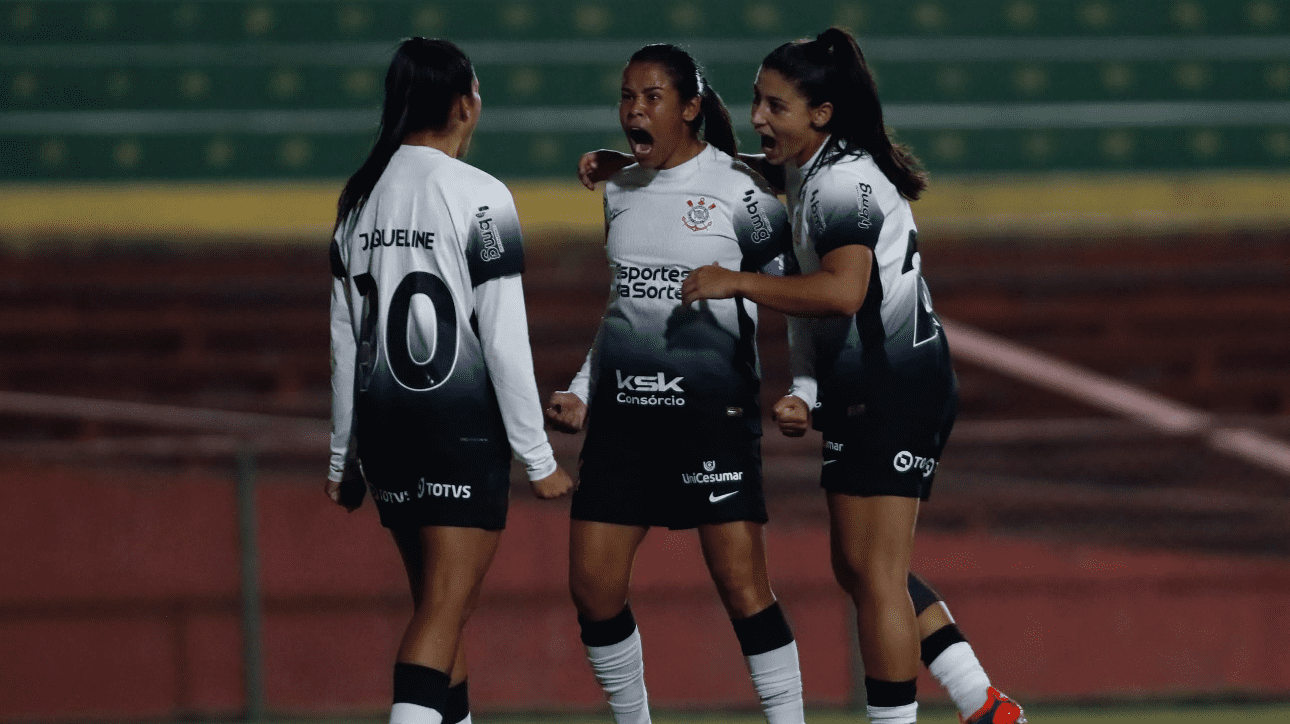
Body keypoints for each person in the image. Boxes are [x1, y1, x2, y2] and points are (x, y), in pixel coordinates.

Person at [678, 28, 1026, 724]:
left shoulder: (843, 182)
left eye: (775, 106)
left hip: (897, 385)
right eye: (755, 101)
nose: (758, 118)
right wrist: (635, 163)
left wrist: (734, 281)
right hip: (869, 386)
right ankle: (982, 705)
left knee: (874, 577)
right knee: (863, 571)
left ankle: (926, 716)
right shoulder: (814, 168)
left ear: (822, 115)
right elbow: (742, 169)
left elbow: (841, 292)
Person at [545, 44, 805, 724]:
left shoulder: (741, 191)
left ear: (689, 107)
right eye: (627, 97)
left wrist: (806, 384)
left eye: (651, 97)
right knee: (592, 592)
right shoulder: (620, 190)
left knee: (746, 590)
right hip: (625, 421)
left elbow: (797, 293)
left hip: (709, 419)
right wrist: (581, 387)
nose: (635, 109)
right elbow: (623, 306)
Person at [326, 38, 574, 724]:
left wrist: (343, 457)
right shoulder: (481, 195)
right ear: (465, 106)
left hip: (385, 428)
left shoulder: (358, 198)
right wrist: (540, 458)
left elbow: (347, 338)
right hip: (455, 426)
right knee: (442, 610)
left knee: (441, 608)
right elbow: (502, 338)